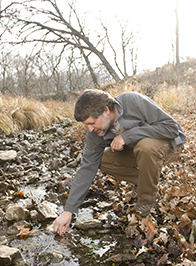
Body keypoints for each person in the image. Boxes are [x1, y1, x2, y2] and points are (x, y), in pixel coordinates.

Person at [53, 89, 186, 236]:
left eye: (91, 123)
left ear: (106, 111)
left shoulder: (132, 101)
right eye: (86, 125)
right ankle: (147, 180)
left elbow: (171, 128)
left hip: (167, 145)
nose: (90, 129)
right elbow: (87, 167)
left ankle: (146, 203)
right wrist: (69, 210)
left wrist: (127, 135)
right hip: (138, 152)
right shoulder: (95, 133)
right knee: (102, 159)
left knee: (146, 147)